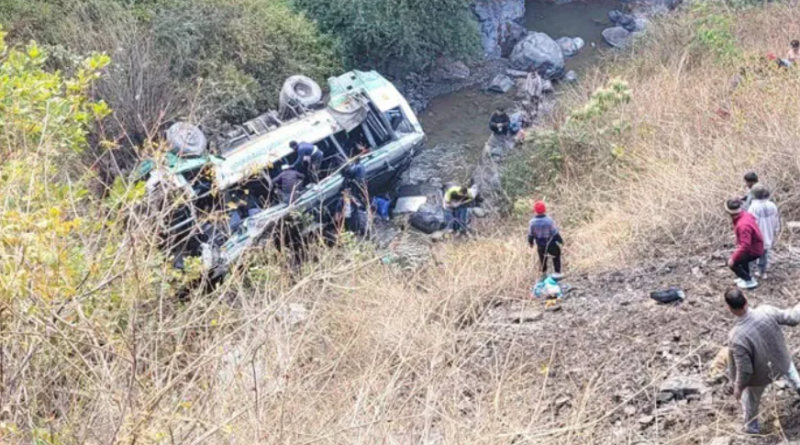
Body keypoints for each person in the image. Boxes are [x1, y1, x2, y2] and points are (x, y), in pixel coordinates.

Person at [724, 288, 800, 434]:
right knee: (796, 380)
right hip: (782, 361)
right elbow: (793, 318)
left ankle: (752, 428)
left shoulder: (736, 337)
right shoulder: (766, 311)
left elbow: (745, 370)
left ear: (730, 309)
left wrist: (738, 388)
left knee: (751, 401)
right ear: (745, 300)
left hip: (760, 377)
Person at [726, 199, 764, 290]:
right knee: (742, 260)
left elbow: (745, 245)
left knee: (732, 263)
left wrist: (733, 258)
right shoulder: (745, 214)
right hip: (755, 246)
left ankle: (749, 281)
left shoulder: (743, 225)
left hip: (753, 250)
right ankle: (745, 277)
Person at [748, 184, 780, 279]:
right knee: (764, 254)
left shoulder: (753, 208)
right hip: (768, 234)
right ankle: (762, 272)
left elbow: (750, 224)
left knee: (750, 255)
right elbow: (776, 220)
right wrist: (776, 230)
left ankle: (749, 274)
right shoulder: (772, 205)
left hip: (756, 236)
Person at [527, 201, 564, 279]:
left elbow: (531, 234)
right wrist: (561, 241)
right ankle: (557, 273)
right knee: (556, 255)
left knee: (542, 259)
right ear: (544, 210)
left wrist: (531, 243)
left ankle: (544, 274)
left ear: (535, 211)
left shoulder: (532, 222)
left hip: (540, 244)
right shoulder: (549, 220)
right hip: (551, 243)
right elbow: (554, 233)